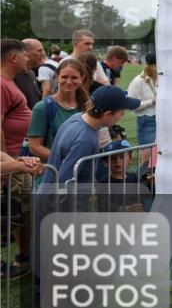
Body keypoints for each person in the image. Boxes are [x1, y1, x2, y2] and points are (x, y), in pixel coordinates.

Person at [41, 86, 139, 185]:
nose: (122, 115)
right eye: (122, 112)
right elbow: (65, 182)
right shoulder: (85, 140)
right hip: (59, 198)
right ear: (108, 114)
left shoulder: (77, 117)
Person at [1, 38, 36, 277]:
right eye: (25, 55)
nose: (28, 60)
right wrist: (6, 167)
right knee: (11, 212)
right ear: (14, 57)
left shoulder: (9, 83)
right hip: (11, 162)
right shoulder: (2, 84)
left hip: (17, 159)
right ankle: (22, 259)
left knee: (22, 210)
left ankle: (25, 257)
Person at [27, 58, 88, 162]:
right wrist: (68, 160)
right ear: (56, 77)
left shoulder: (87, 106)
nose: (69, 82)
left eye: (74, 77)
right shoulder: (42, 108)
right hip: (53, 173)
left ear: (82, 78)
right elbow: (34, 147)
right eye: (64, 77)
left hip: (82, 173)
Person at [127, 53, 157, 167]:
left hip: (163, 119)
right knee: (147, 160)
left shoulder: (163, 79)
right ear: (153, 66)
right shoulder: (138, 81)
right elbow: (131, 104)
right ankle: (143, 181)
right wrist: (151, 102)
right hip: (147, 120)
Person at [14, 38, 46, 108]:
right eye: (39, 51)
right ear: (26, 53)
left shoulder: (32, 74)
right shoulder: (13, 75)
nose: (43, 54)